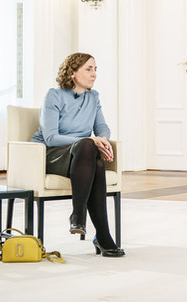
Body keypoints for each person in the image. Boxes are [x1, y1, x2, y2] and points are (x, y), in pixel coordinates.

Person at [32, 52, 125, 258]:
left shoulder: (94, 97)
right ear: (73, 72)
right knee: (88, 146)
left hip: (83, 156)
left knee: (93, 155)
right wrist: (91, 141)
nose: (94, 74)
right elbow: (51, 137)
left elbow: (102, 127)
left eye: (95, 69)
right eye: (88, 69)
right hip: (52, 155)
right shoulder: (54, 95)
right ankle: (99, 232)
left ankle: (85, 223)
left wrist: (101, 139)